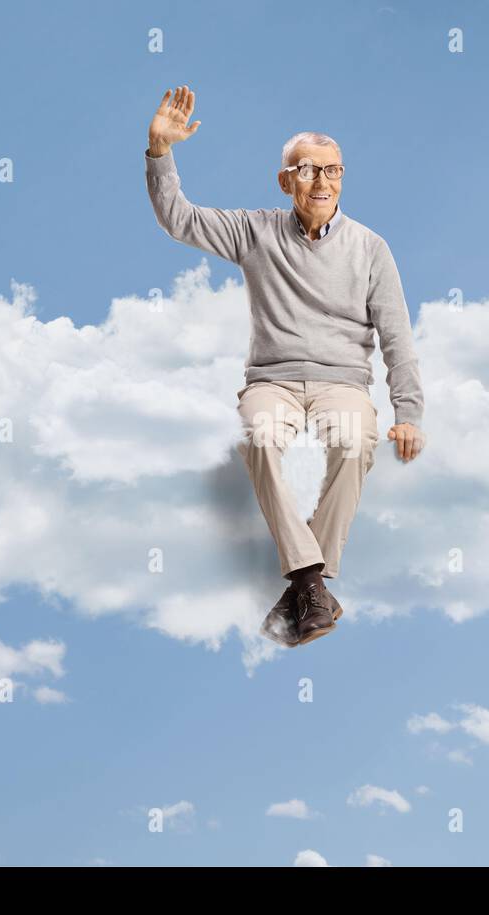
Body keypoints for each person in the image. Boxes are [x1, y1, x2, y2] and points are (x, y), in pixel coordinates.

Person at [144, 85, 425, 647]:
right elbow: (178, 220)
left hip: (342, 381)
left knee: (354, 442)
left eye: (332, 171)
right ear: (284, 181)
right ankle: (310, 581)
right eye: (307, 170)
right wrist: (159, 151)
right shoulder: (255, 231)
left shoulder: (371, 248)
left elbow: (396, 334)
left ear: (342, 178)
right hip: (271, 381)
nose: (321, 182)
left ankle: (305, 584)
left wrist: (408, 411)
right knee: (260, 437)